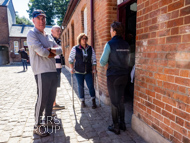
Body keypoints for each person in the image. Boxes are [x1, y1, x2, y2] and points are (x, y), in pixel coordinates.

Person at [27, 9, 62, 137]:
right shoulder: (32, 34)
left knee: (51, 98)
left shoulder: (47, 35)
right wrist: (48, 52)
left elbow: (60, 50)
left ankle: (48, 120)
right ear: (33, 20)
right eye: (39, 18)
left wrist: (48, 50)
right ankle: (37, 125)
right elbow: (41, 52)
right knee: (42, 99)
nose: (41, 21)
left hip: (53, 70)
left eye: (43, 18)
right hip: (41, 71)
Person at [100, 21, 130, 135]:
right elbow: (129, 60)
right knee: (121, 99)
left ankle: (115, 126)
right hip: (124, 75)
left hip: (113, 76)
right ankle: (123, 124)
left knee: (114, 101)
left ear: (114, 31)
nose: (110, 31)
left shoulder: (110, 44)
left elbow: (102, 62)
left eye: (111, 29)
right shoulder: (126, 44)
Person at [69, 33, 97, 109]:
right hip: (78, 71)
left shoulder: (90, 48)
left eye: (85, 38)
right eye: (82, 38)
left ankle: (93, 100)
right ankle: (82, 101)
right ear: (80, 40)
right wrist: (71, 68)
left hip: (88, 71)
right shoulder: (75, 48)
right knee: (80, 86)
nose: (84, 40)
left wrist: (94, 68)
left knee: (91, 86)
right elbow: (71, 59)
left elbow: (94, 59)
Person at [51, 25, 65, 111]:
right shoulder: (49, 40)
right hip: (52, 68)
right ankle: (51, 106)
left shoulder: (58, 41)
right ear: (52, 31)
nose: (60, 32)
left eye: (60, 30)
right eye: (57, 30)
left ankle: (54, 103)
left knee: (55, 86)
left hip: (58, 68)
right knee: (51, 87)